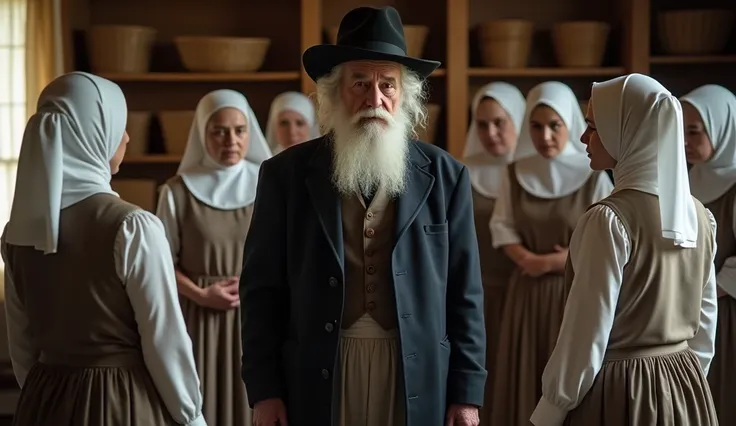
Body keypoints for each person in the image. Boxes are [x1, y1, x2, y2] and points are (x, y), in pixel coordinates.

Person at [240, 6, 486, 426]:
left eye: (387, 85)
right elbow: (262, 293)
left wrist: (466, 395)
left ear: (404, 95)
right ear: (334, 92)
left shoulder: (446, 176)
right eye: (360, 83)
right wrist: (265, 392)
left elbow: (466, 295)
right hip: (322, 364)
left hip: (415, 366)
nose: (375, 99)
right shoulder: (284, 174)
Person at [1, 72, 205, 425]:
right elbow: (164, 344)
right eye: (118, 125)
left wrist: (48, 389)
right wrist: (192, 416)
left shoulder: (18, 233)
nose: (126, 137)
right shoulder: (132, 227)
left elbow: (22, 350)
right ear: (92, 133)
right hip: (119, 403)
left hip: (43, 401)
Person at [531, 73, 718, 426]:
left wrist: (551, 410)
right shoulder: (699, 215)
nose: (583, 137)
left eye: (593, 127)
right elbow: (705, 328)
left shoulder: (608, 219)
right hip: (685, 388)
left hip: (621, 391)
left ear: (625, 129)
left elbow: (585, 335)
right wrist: (684, 381)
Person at [489, 81, 612, 426]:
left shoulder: (593, 175)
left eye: (554, 126)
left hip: (574, 290)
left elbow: (606, 237)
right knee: (526, 370)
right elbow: (503, 226)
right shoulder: (515, 172)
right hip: (526, 292)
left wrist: (552, 262)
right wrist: (526, 259)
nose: (545, 136)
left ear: (571, 124)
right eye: (536, 126)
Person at [156, 89, 272, 426]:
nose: (230, 140)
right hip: (199, 320)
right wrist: (202, 294)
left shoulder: (269, 184)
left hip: (260, 318)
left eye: (240, 130)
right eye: (218, 130)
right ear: (201, 133)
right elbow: (160, 265)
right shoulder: (176, 192)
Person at [462, 82, 525, 426]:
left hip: (522, 290)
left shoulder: (536, 174)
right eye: (482, 123)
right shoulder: (462, 172)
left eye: (500, 122)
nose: (491, 132)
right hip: (475, 296)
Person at [681, 84, 736, 425]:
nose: (684, 140)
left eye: (694, 131)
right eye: (681, 129)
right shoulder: (686, 177)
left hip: (726, 311)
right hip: (689, 306)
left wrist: (710, 288)